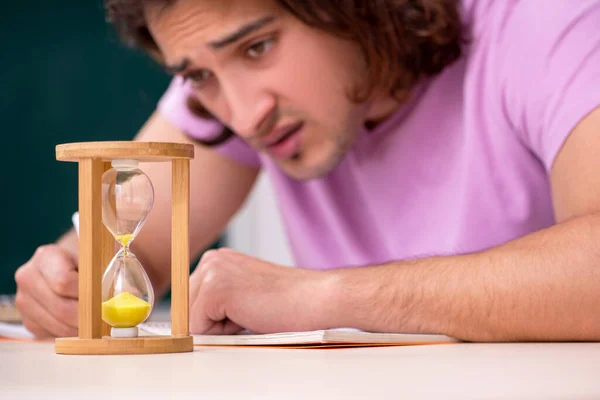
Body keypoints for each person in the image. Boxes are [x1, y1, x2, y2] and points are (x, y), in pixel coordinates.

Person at [14, 0, 600, 341]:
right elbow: (129, 251)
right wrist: (64, 281)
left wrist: (325, 297)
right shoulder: (222, 81)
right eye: (197, 75)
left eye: (258, 48)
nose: (244, 116)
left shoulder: (543, 22)